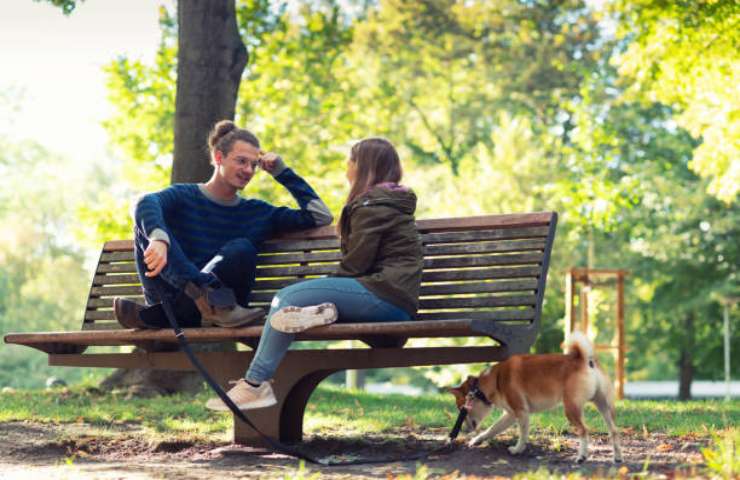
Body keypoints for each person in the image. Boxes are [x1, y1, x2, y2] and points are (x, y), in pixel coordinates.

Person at [205, 137, 423, 411]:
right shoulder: (385, 203)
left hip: (384, 296)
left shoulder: (373, 207)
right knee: (292, 304)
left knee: (286, 299)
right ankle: (325, 310)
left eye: (351, 161)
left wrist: (322, 288)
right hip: (389, 298)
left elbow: (355, 267)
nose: (347, 168)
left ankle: (254, 385)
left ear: (363, 166)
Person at [113, 120, 333, 329]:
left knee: (242, 248)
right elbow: (144, 202)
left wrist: (282, 172)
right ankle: (200, 290)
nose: (248, 170)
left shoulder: (258, 212)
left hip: (225, 307)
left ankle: (205, 297)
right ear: (219, 157)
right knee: (146, 224)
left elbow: (320, 216)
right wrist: (158, 238)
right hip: (178, 303)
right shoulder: (183, 196)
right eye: (241, 161)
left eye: (254, 164)